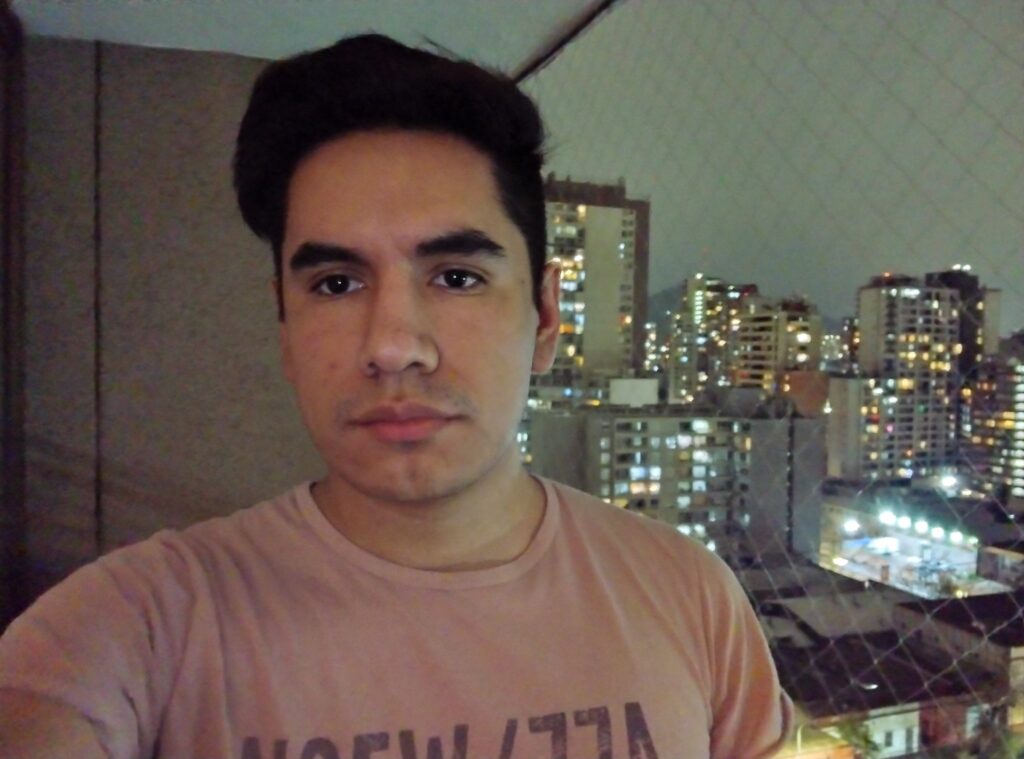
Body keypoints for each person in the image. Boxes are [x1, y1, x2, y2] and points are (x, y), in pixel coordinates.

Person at [0, 34, 792, 759]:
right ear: (284, 326)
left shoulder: (690, 597)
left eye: (457, 277)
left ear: (546, 317)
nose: (392, 345)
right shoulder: (146, 621)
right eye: (336, 283)